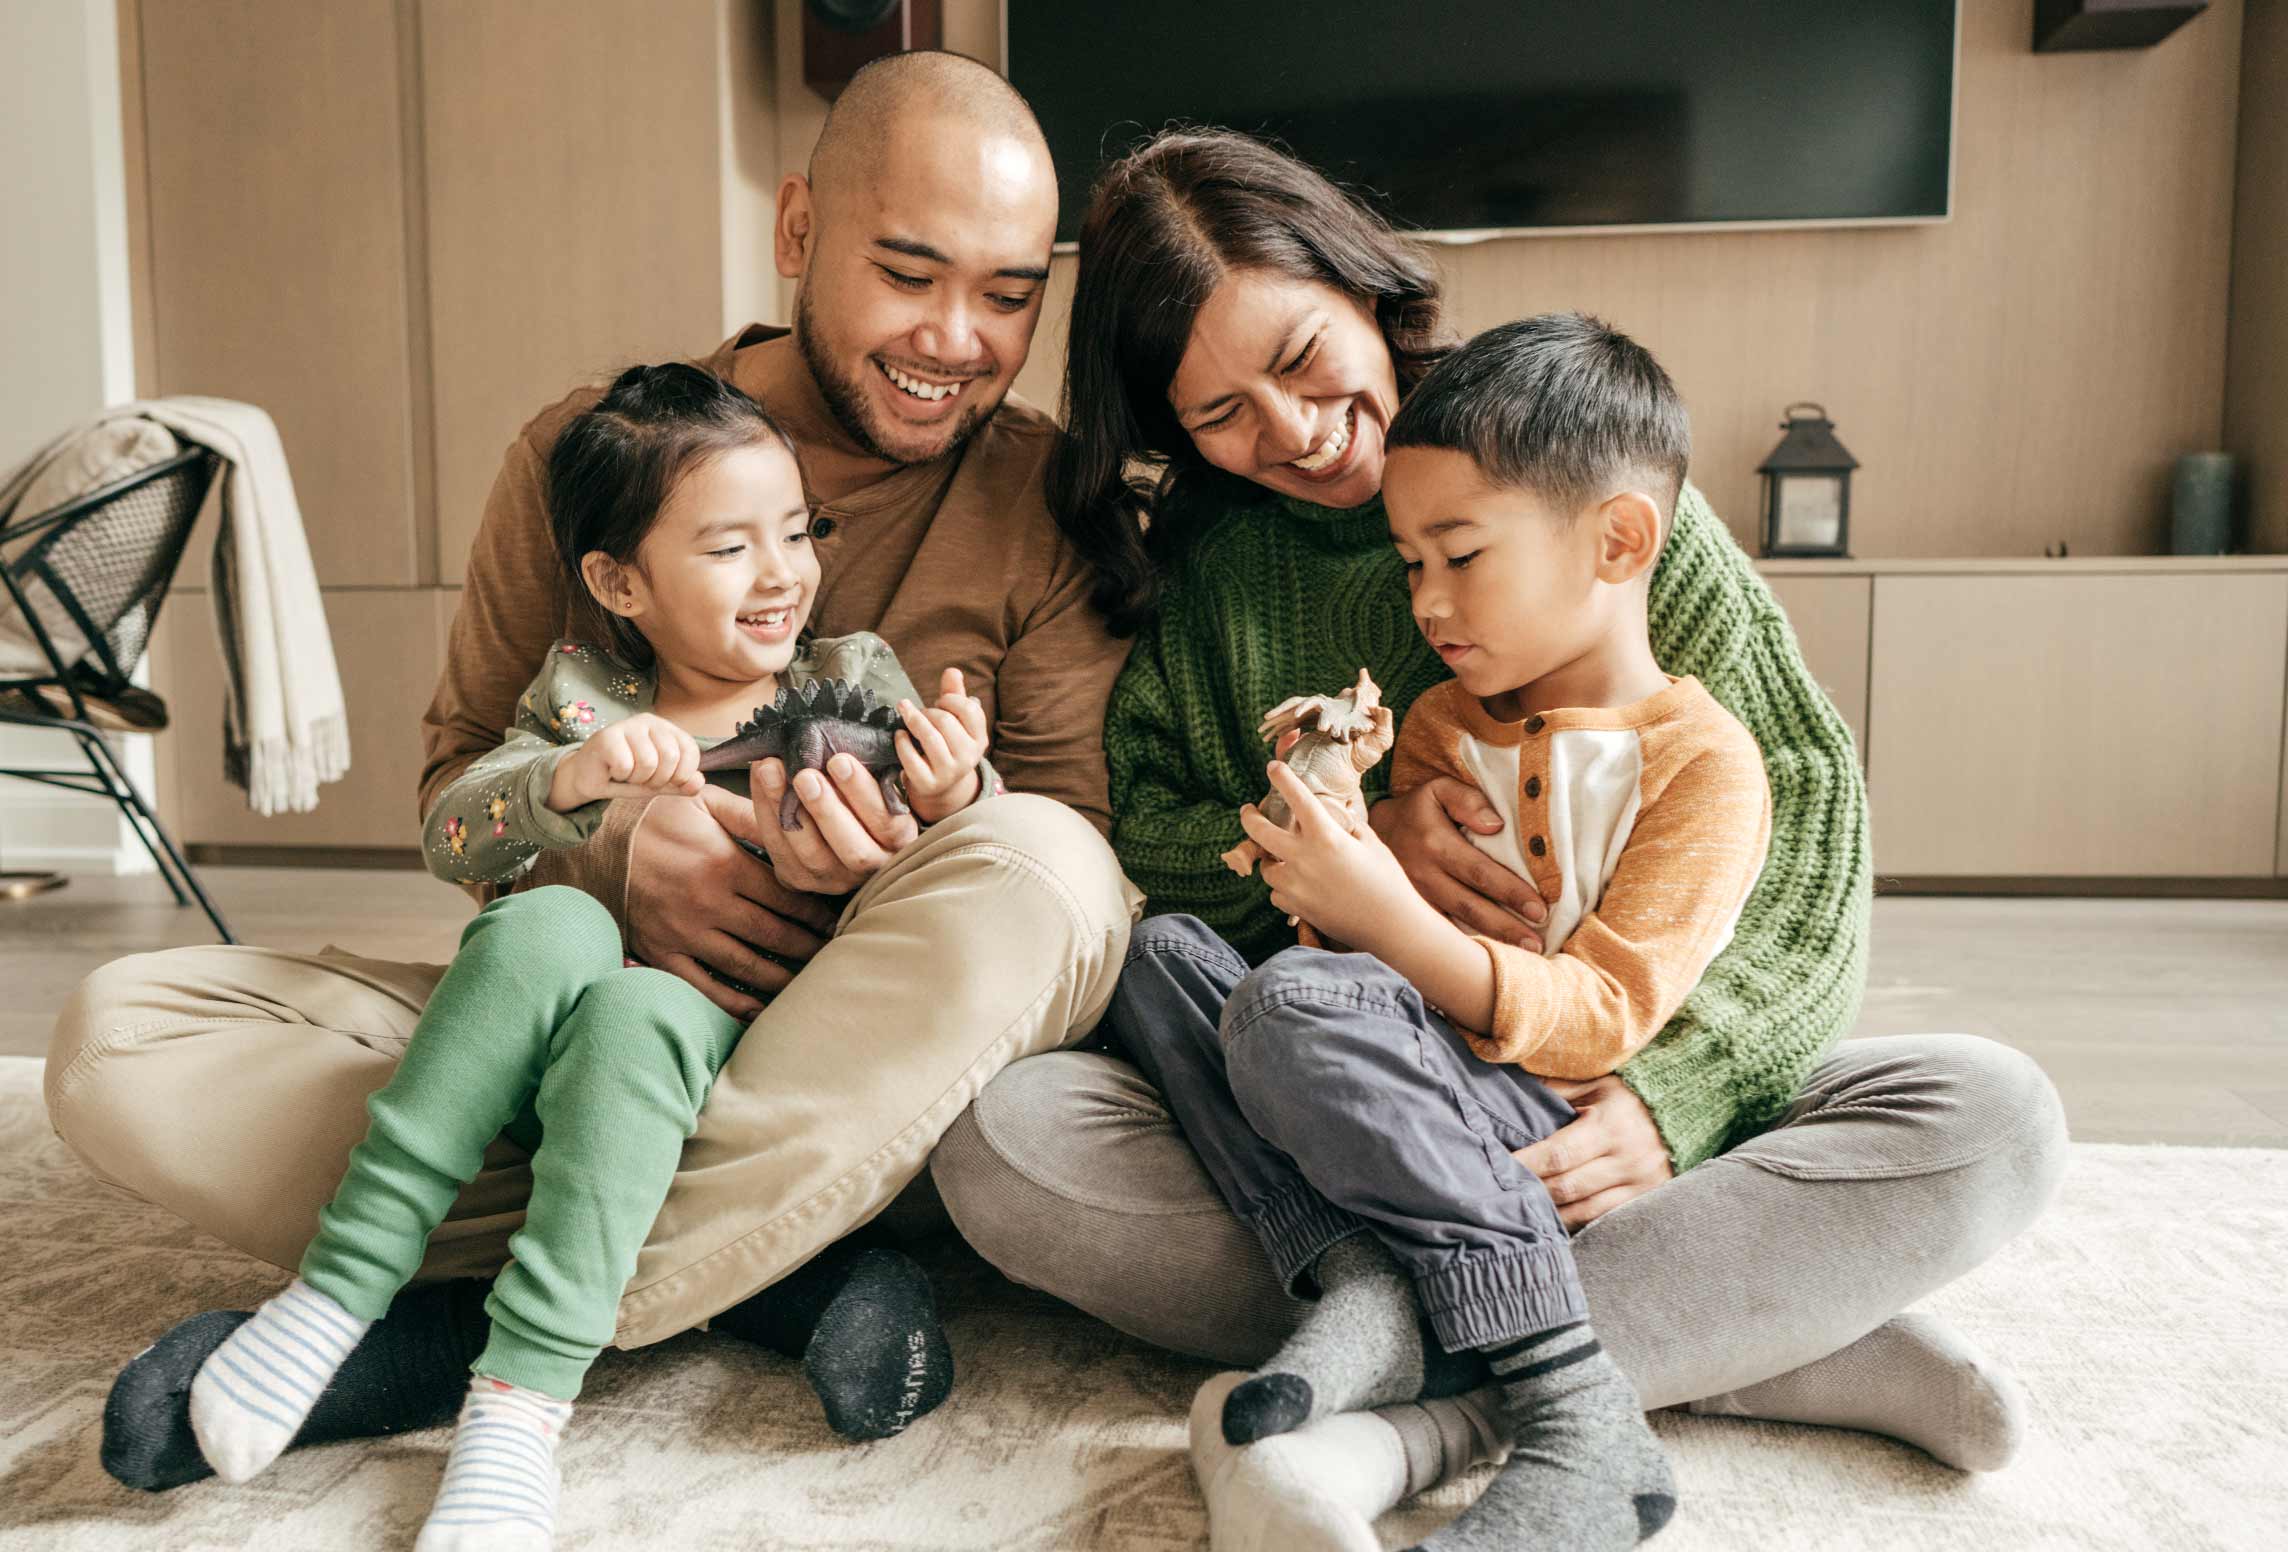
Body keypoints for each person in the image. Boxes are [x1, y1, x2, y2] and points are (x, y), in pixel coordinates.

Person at [928, 128, 2068, 1547]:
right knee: (1009, 1141)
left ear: (1359, 285)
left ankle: (1433, 1401)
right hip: (1355, 1091)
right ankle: (1768, 1341)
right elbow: (1139, 841)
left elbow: (1807, 824)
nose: (1287, 431)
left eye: (1299, 357)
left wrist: (1676, 1097)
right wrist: (1355, 842)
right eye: (1218, 413)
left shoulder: (1582, 491)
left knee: (1990, 1112)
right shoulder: (1211, 581)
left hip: (1595, 1083)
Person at [52, 52, 1139, 1493]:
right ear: (800, 231)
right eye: (909, 273)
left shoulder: (1041, 499)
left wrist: (924, 832)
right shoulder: (591, 461)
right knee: (119, 1040)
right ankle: (757, 1266)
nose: (958, 337)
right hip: (587, 1017)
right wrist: (616, 846)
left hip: (856, 1050)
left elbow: (1071, 876)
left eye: (1010, 294)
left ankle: (439, 1338)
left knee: (1051, 878)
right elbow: (457, 782)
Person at [182, 363, 1000, 1548]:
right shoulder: (580, 701)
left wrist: (955, 783)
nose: (781, 573)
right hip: (546, 1052)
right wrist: (570, 784)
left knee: (639, 1016)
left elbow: (960, 880)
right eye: (727, 548)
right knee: (553, 927)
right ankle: (338, 1291)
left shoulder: (852, 680)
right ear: (619, 582)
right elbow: (450, 830)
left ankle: (520, 1397)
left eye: (795, 530)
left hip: (754, 1064)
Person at [1113, 314, 1766, 1551]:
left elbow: (1598, 1020)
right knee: (1157, 960)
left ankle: (1570, 1399)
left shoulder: (1703, 767)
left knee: (1291, 1006)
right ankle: (1360, 1272)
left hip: (1549, 1117)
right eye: (1409, 562)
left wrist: (1383, 923)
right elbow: (1339, 963)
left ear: (1618, 540)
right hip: (1406, 1085)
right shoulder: (1432, 730)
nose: (1424, 602)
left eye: (1457, 556)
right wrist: (1325, 823)